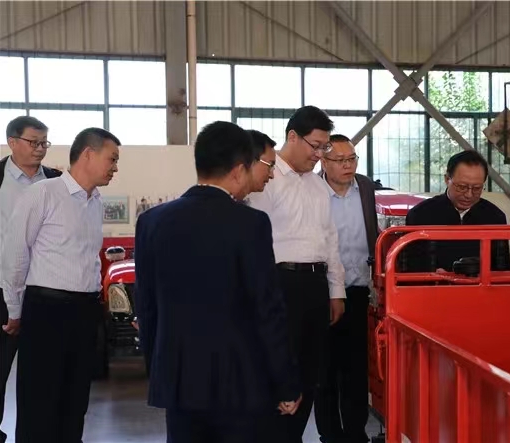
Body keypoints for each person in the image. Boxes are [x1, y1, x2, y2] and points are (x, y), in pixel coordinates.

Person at [134, 121, 301, 443]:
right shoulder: (250, 223)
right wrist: (286, 383)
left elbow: (148, 307)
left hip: (179, 381)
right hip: (239, 382)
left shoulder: (152, 221)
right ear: (238, 171)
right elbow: (267, 310)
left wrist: (160, 373)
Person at [1, 127, 120, 443]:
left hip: (85, 311)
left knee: (75, 401)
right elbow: (15, 256)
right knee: (40, 402)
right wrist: (15, 310)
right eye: (112, 159)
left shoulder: (95, 202)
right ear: (88, 154)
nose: (115, 168)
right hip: (47, 310)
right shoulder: (43, 193)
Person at [246, 106, 345, 442]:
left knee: (309, 372)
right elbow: (254, 241)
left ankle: (293, 435)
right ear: (292, 136)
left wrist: (336, 291)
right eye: (315, 146)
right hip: (279, 284)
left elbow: (330, 239)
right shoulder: (267, 179)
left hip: (315, 286)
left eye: (324, 147)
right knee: (277, 367)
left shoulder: (318, 186)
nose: (319, 155)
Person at [0, 115, 60, 443]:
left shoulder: (57, 181)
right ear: (12, 142)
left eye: (44, 143)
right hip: (1, 290)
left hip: (44, 291)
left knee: (43, 374)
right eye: (33, 142)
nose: (40, 149)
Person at [314, 135, 377, 443]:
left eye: (352, 159)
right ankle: (330, 434)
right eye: (340, 160)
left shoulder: (365, 187)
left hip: (359, 289)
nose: (348, 165)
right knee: (324, 370)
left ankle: (355, 433)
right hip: (322, 292)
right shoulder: (310, 190)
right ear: (324, 162)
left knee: (356, 369)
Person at [403, 149, 510, 273]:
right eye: (462, 187)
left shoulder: (495, 217)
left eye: (477, 188)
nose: (469, 195)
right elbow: (410, 267)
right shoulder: (420, 215)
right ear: (447, 179)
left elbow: (502, 271)